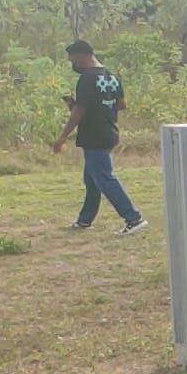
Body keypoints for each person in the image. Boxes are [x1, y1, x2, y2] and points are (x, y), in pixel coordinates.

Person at [52, 40, 147, 235]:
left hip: (94, 134)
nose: (73, 64)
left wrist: (62, 137)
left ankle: (133, 217)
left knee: (103, 178)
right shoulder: (111, 76)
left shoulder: (87, 78)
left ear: (83, 55)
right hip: (108, 131)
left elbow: (80, 110)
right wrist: (97, 106)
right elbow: (121, 104)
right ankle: (85, 220)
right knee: (92, 179)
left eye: (74, 59)